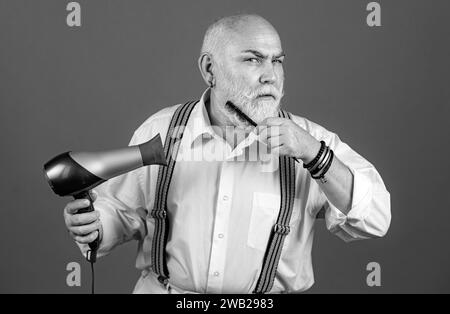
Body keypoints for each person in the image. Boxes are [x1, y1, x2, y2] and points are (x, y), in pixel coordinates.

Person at [63, 14, 391, 294]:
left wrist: (313, 154)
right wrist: (97, 226)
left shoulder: (311, 140)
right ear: (210, 69)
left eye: (277, 60)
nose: (270, 75)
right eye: (253, 59)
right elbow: (121, 210)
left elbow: (375, 217)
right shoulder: (160, 131)